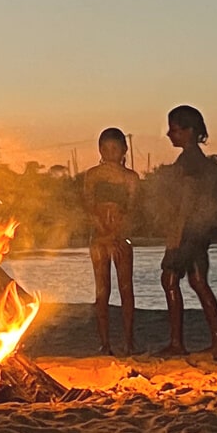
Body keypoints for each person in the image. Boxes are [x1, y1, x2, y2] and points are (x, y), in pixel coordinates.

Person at [158, 104, 217, 356]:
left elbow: (188, 197)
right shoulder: (199, 160)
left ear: (188, 131)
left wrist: (177, 230)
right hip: (200, 229)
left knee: (170, 278)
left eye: (174, 130)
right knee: (198, 281)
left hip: (189, 230)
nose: (169, 134)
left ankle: (177, 343)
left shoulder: (189, 160)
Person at [81, 128, 139, 354]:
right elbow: (89, 207)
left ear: (124, 150)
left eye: (115, 149)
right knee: (102, 290)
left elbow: (132, 210)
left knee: (126, 288)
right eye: (105, 149)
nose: (110, 153)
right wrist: (104, 235)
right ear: (99, 150)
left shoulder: (130, 178)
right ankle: (104, 343)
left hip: (121, 237)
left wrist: (116, 235)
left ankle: (128, 341)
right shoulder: (92, 175)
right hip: (99, 238)